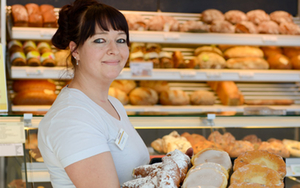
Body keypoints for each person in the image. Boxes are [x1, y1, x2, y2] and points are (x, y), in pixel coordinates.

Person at [37, 0, 150, 187]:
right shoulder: (71, 118)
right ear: (75, 50)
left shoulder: (114, 104)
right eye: (100, 40)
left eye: (120, 40)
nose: (114, 50)